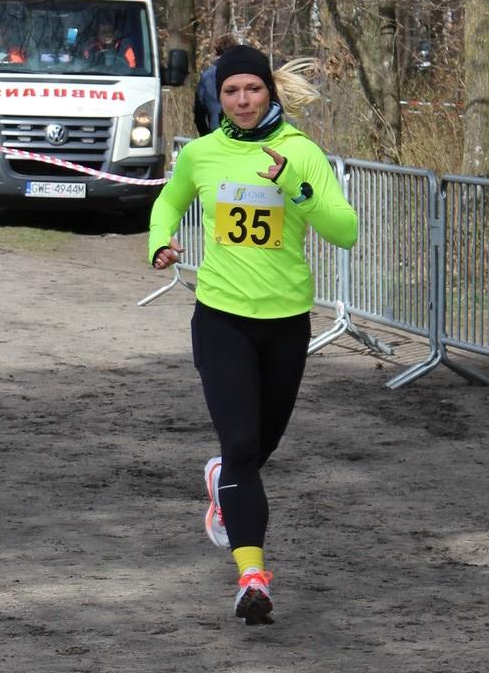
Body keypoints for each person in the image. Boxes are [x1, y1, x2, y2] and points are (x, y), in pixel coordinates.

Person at [148, 44, 357, 624]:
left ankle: (221, 480)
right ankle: (252, 577)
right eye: (231, 91)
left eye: (253, 89)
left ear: (270, 91)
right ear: (220, 96)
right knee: (241, 447)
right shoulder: (202, 154)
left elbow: (345, 231)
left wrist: (296, 187)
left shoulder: (301, 153)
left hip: (286, 323)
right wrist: (159, 242)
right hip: (221, 318)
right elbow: (167, 204)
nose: (242, 101)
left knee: (257, 450)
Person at [192, 35, 233, 136]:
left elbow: (199, 112)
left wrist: (205, 134)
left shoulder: (207, 76)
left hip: (217, 132)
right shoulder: (245, 73)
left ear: (217, 51)